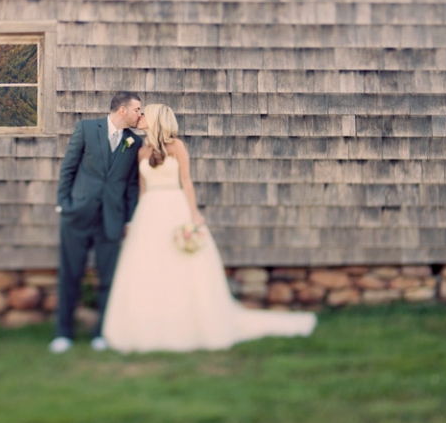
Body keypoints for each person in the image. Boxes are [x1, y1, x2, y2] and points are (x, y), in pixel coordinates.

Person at [102, 103, 317, 352]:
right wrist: (136, 220)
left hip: (174, 208)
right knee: (149, 268)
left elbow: (187, 182)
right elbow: (142, 188)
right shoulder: (141, 151)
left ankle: (188, 321)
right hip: (148, 212)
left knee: (179, 265)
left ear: (156, 119)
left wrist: (194, 216)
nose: (139, 117)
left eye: (144, 114)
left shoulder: (177, 147)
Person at [49, 91, 144, 353]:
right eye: (137, 109)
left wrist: (129, 219)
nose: (140, 114)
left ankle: (101, 333)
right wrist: (63, 204)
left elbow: (132, 186)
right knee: (71, 274)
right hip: (77, 215)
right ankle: (63, 333)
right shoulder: (87, 129)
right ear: (122, 110)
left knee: (109, 278)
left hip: (111, 221)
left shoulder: (134, 143)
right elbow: (69, 167)